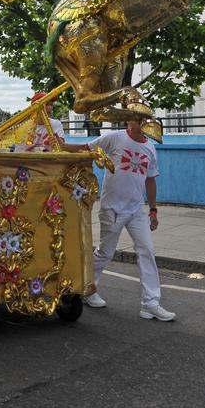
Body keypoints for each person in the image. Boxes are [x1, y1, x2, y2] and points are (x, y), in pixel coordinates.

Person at [61, 116, 176, 321]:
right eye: (133, 118)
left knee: (147, 251)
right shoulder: (114, 138)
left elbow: (150, 180)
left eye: (141, 119)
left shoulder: (150, 147)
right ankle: (87, 288)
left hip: (136, 210)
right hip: (112, 209)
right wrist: (61, 145)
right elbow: (85, 148)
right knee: (105, 252)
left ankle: (150, 304)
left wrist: (154, 210)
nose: (136, 122)